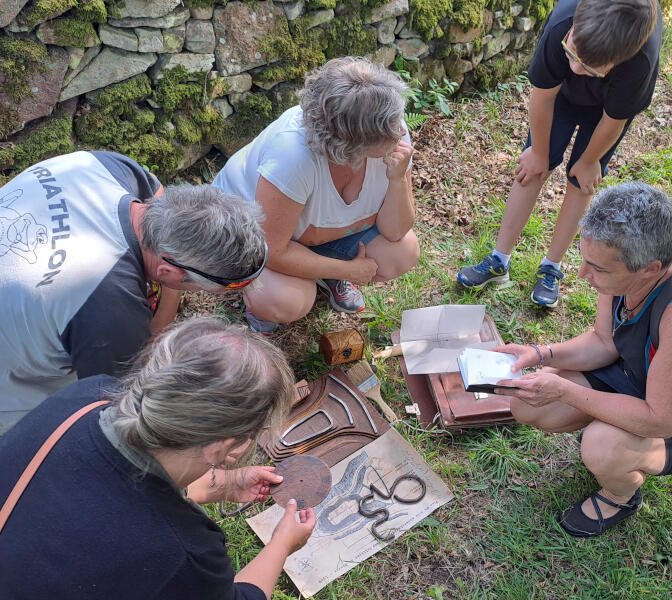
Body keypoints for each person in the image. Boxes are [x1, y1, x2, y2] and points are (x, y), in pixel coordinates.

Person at [0, 317, 316, 599]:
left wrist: (226, 484)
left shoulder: (86, 398)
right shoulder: (184, 554)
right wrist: (281, 545)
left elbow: (122, 482)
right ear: (223, 446)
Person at [494, 182, 672, 536]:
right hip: (635, 375)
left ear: (650, 270)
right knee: (528, 406)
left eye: (597, 269)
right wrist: (538, 353)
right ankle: (618, 442)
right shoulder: (623, 276)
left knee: (602, 445)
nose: (582, 275)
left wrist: (564, 390)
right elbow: (604, 341)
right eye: (584, 261)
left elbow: (661, 421)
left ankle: (620, 495)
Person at [0, 151, 267, 434]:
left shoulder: (110, 168)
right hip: (12, 383)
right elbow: (124, 391)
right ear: (168, 272)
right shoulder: (109, 309)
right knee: (75, 422)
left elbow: (157, 190)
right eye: (202, 286)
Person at [457, 0, 662, 308]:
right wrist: (538, 153)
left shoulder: (639, 62)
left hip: (605, 112)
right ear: (574, 29)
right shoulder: (562, 24)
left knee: (582, 182)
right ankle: (499, 260)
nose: (575, 68)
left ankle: (551, 266)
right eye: (572, 53)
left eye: (589, 67)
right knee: (531, 169)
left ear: (621, 59)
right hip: (558, 99)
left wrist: (590, 160)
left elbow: (614, 119)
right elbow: (542, 97)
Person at [213, 56, 419, 334]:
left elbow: (396, 232)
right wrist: (347, 270)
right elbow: (271, 250)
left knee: (403, 252)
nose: (400, 134)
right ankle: (262, 311)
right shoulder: (293, 157)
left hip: (318, 233)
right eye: (390, 132)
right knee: (285, 300)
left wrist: (397, 181)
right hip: (256, 237)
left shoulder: (389, 127)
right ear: (351, 143)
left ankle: (325, 271)